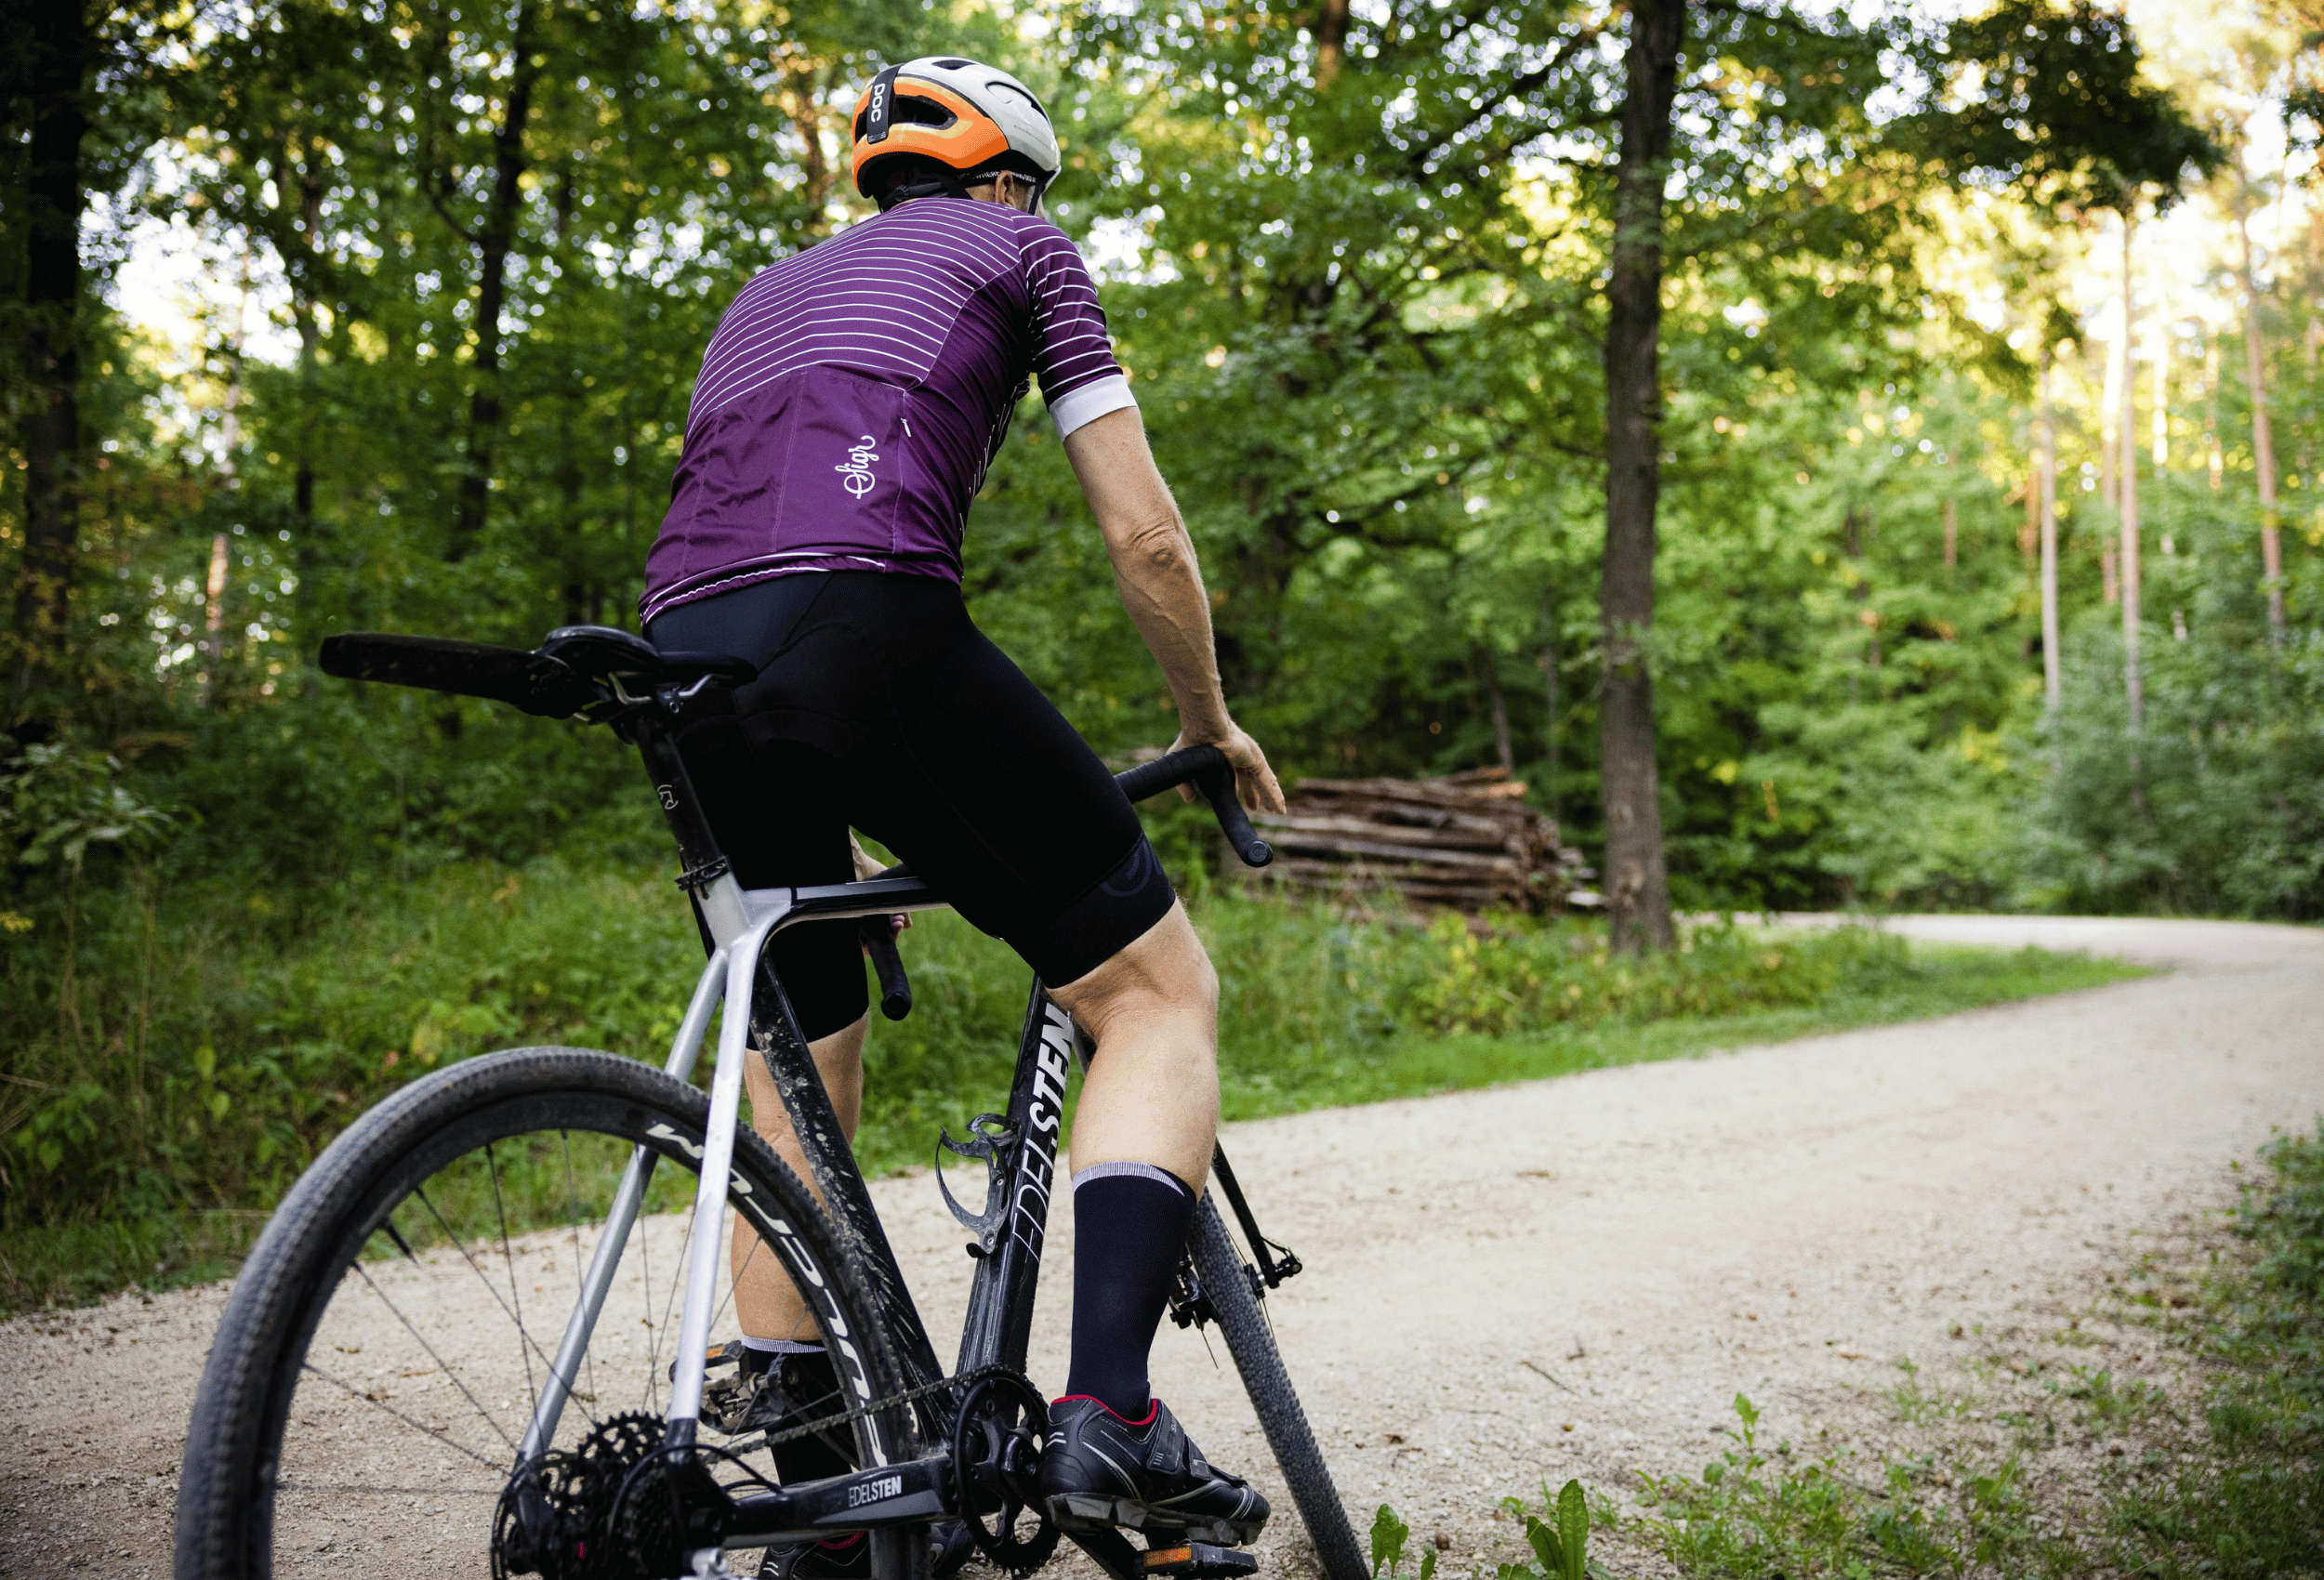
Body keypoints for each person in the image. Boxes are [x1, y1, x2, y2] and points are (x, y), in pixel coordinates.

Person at [639, 54, 1288, 1579]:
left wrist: (831, 771)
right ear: (1008, 179)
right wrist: (1206, 719)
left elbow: (748, 543)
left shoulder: (762, 293)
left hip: (679, 661)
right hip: (866, 629)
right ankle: (1110, 1418)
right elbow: (1143, 531)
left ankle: (814, 1490)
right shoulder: (1023, 249)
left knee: (798, 1040)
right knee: (1153, 990)